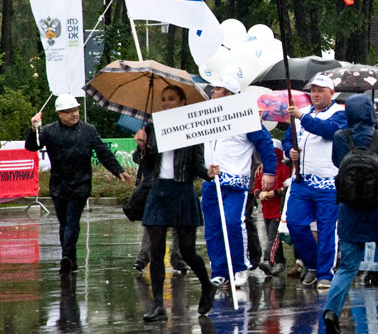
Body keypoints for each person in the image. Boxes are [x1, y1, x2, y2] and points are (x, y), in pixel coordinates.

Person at [323, 94, 378, 334]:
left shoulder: (340, 137)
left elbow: (339, 162)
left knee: (347, 266)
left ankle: (331, 310)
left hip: (350, 210)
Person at [131, 85, 216, 320]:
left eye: (172, 99)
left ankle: (207, 286)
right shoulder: (152, 126)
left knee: (187, 251)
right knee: (156, 250)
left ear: (182, 101)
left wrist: (209, 173)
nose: (167, 103)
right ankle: (158, 305)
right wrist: (141, 147)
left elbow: (198, 165)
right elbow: (144, 164)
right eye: (163, 99)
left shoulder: (192, 127)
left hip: (182, 191)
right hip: (158, 191)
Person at [27, 94, 132, 276]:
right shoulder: (50, 131)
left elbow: (103, 152)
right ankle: (70, 259)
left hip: (80, 183)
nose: (74, 114)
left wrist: (118, 171)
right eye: (68, 112)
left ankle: (66, 256)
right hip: (59, 185)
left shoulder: (88, 130)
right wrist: (33, 128)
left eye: (75, 110)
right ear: (60, 114)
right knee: (64, 223)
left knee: (72, 221)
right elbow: (32, 147)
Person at [203, 79, 277, 287]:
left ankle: (239, 268)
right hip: (211, 182)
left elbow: (265, 143)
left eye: (216, 88)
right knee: (213, 227)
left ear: (228, 94)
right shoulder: (206, 116)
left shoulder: (245, 116)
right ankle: (219, 270)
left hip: (235, 182)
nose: (212, 91)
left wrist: (269, 171)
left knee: (233, 223)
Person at [284, 73, 346, 289]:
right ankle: (312, 264)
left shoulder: (339, 114)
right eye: (313, 90)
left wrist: (301, 117)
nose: (316, 94)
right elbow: (287, 139)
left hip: (328, 183)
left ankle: (325, 274)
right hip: (302, 181)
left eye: (321, 90)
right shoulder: (304, 113)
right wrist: (290, 150)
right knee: (294, 223)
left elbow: (328, 131)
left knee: (328, 229)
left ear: (332, 93)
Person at [254, 142, 291, 276]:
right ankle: (280, 262)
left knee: (273, 238)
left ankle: (267, 260)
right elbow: (256, 187)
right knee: (273, 238)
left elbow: (287, 187)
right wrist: (260, 194)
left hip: (278, 210)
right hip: (266, 210)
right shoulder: (262, 171)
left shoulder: (284, 169)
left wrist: (274, 193)